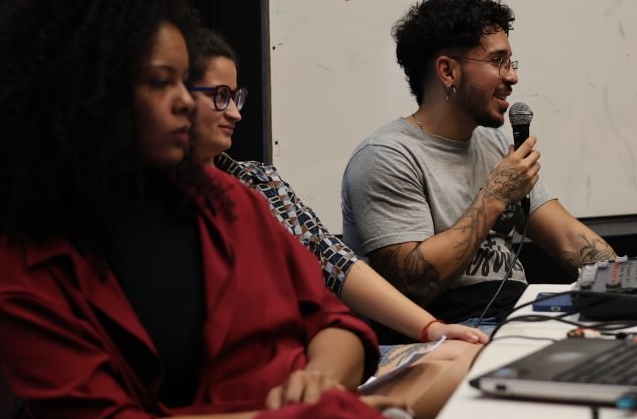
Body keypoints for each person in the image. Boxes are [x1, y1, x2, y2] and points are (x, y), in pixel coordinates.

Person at [0, 0, 423, 419]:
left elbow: (332, 322)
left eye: (186, 81)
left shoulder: (230, 200)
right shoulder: (31, 270)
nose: (188, 102)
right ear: (85, 93)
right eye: (160, 83)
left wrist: (320, 379)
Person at [186, 26, 487, 348]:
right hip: (257, 355)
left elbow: (333, 260)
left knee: (457, 357)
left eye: (235, 98)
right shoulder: (385, 154)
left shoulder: (258, 181)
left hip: (306, 348)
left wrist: (430, 329)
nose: (234, 113)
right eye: (220, 97)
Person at [342, 0, 615, 329]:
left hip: (516, 315)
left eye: (510, 63)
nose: (512, 76)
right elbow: (412, 285)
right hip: (447, 331)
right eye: (498, 62)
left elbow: (565, 239)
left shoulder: (493, 143)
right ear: (448, 72)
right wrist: (496, 195)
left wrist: (626, 281)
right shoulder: (387, 156)